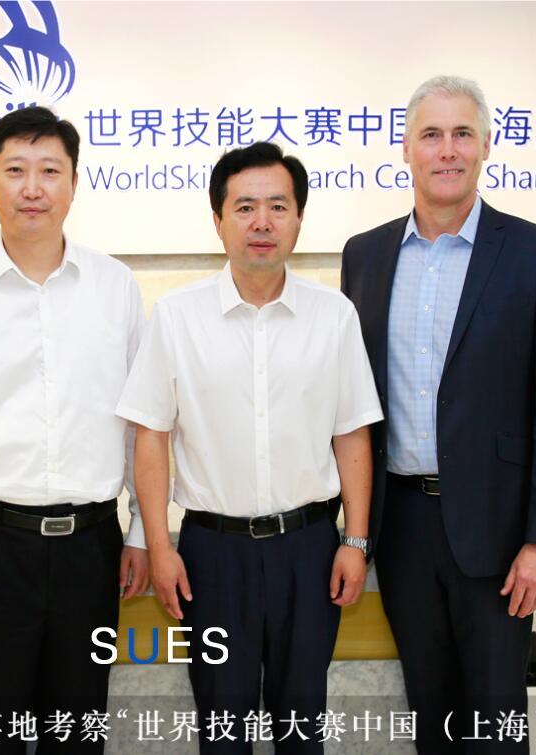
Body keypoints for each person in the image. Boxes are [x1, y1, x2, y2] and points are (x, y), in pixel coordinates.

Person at [338, 75, 536, 754]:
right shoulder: (365, 255)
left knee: (496, 719)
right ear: (405, 149)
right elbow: (353, 400)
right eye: (431, 135)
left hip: (499, 531)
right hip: (401, 525)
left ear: (485, 146)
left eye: (462, 134)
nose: (446, 150)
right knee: (432, 713)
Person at [119, 142, 380, 754]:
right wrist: (159, 546)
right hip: (213, 556)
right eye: (245, 208)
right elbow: (151, 436)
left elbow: (351, 434)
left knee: (301, 727)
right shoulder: (177, 317)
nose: (262, 222)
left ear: (298, 219)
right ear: (218, 220)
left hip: (309, 550)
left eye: (277, 207)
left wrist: (355, 541)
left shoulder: (334, 315)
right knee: (223, 728)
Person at [0, 106, 149, 753]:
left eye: (50, 170)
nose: (32, 188)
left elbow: (140, 425)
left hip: (92, 547)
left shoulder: (115, 286)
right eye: (15, 170)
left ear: (74, 182)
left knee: (78, 732)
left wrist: (140, 531)